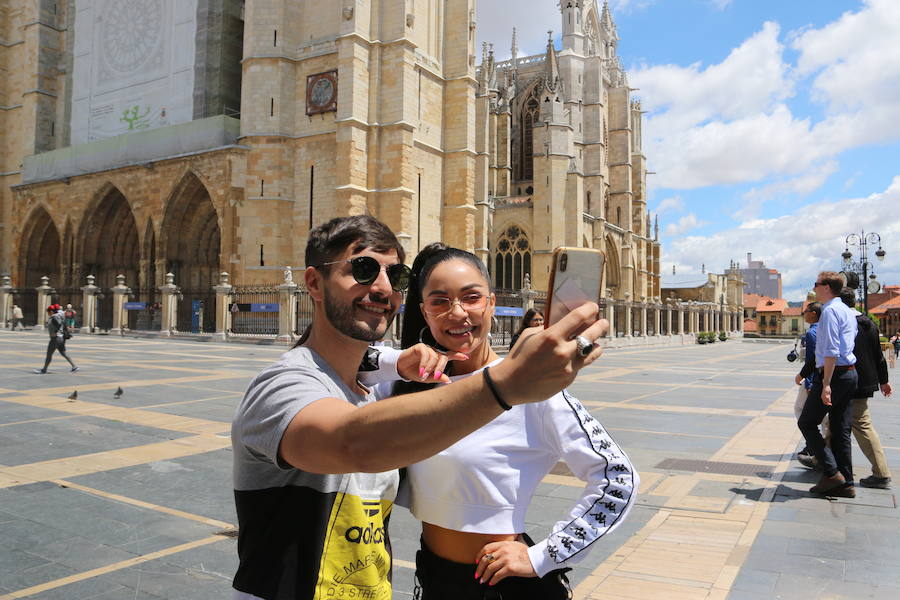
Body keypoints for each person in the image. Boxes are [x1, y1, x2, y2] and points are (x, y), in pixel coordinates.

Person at [230, 216, 608, 600]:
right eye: (362, 270)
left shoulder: (377, 389)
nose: (381, 288)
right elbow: (354, 443)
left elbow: (615, 479)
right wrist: (506, 383)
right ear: (313, 282)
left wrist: (544, 556)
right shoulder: (283, 386)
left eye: (396, 277)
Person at [381, 243, 636, 599]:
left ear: (491, 303)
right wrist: (393, 362)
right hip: (436, 579)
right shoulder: (404, 386)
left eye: (471, 297)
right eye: (439, 301)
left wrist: (542, 556)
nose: (457, 313)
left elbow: (618, 478)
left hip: (504, 589)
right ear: (423, 312)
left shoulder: (527, 385)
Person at [797, 272, 858, 497]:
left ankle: (832, 473)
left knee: (807, 422)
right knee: (841, 430)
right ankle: (847, 483)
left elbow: (831, 350)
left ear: (826, 287)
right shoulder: (846, 310)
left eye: (816, 284)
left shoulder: (831, 311)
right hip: (850, 373)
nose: (814, 287)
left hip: (835, 374)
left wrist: (826, 384)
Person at [838, 288, 892, 489]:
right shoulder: (868, 322)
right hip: (864, 381)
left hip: (849, 381)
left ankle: (881, 472)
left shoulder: (843, 322)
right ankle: (821, 460)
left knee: (861, 425)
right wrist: (883, 380)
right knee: (834, 420)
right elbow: (878, 354)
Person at [794, 302, 822, 463]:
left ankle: (812, 444)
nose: (803, 314)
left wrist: (809, 383)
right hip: (828, 378)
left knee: (800, 410)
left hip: (814, 379)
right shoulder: (824, 329)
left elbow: (812, 359)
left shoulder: (812, 333)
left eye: (805, 311)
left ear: (813, 313)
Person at [35, 304, 78, 374]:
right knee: (63, 353)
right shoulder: (60, 316)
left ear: (51, 311)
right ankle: (74, 366)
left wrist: (55, 333)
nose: (48, 314)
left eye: (48, 312)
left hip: (55, 338)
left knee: (49, 354)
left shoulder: (54, 318)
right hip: (61, 338)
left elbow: (58, 325)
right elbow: (62, 325)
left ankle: (44, 370)